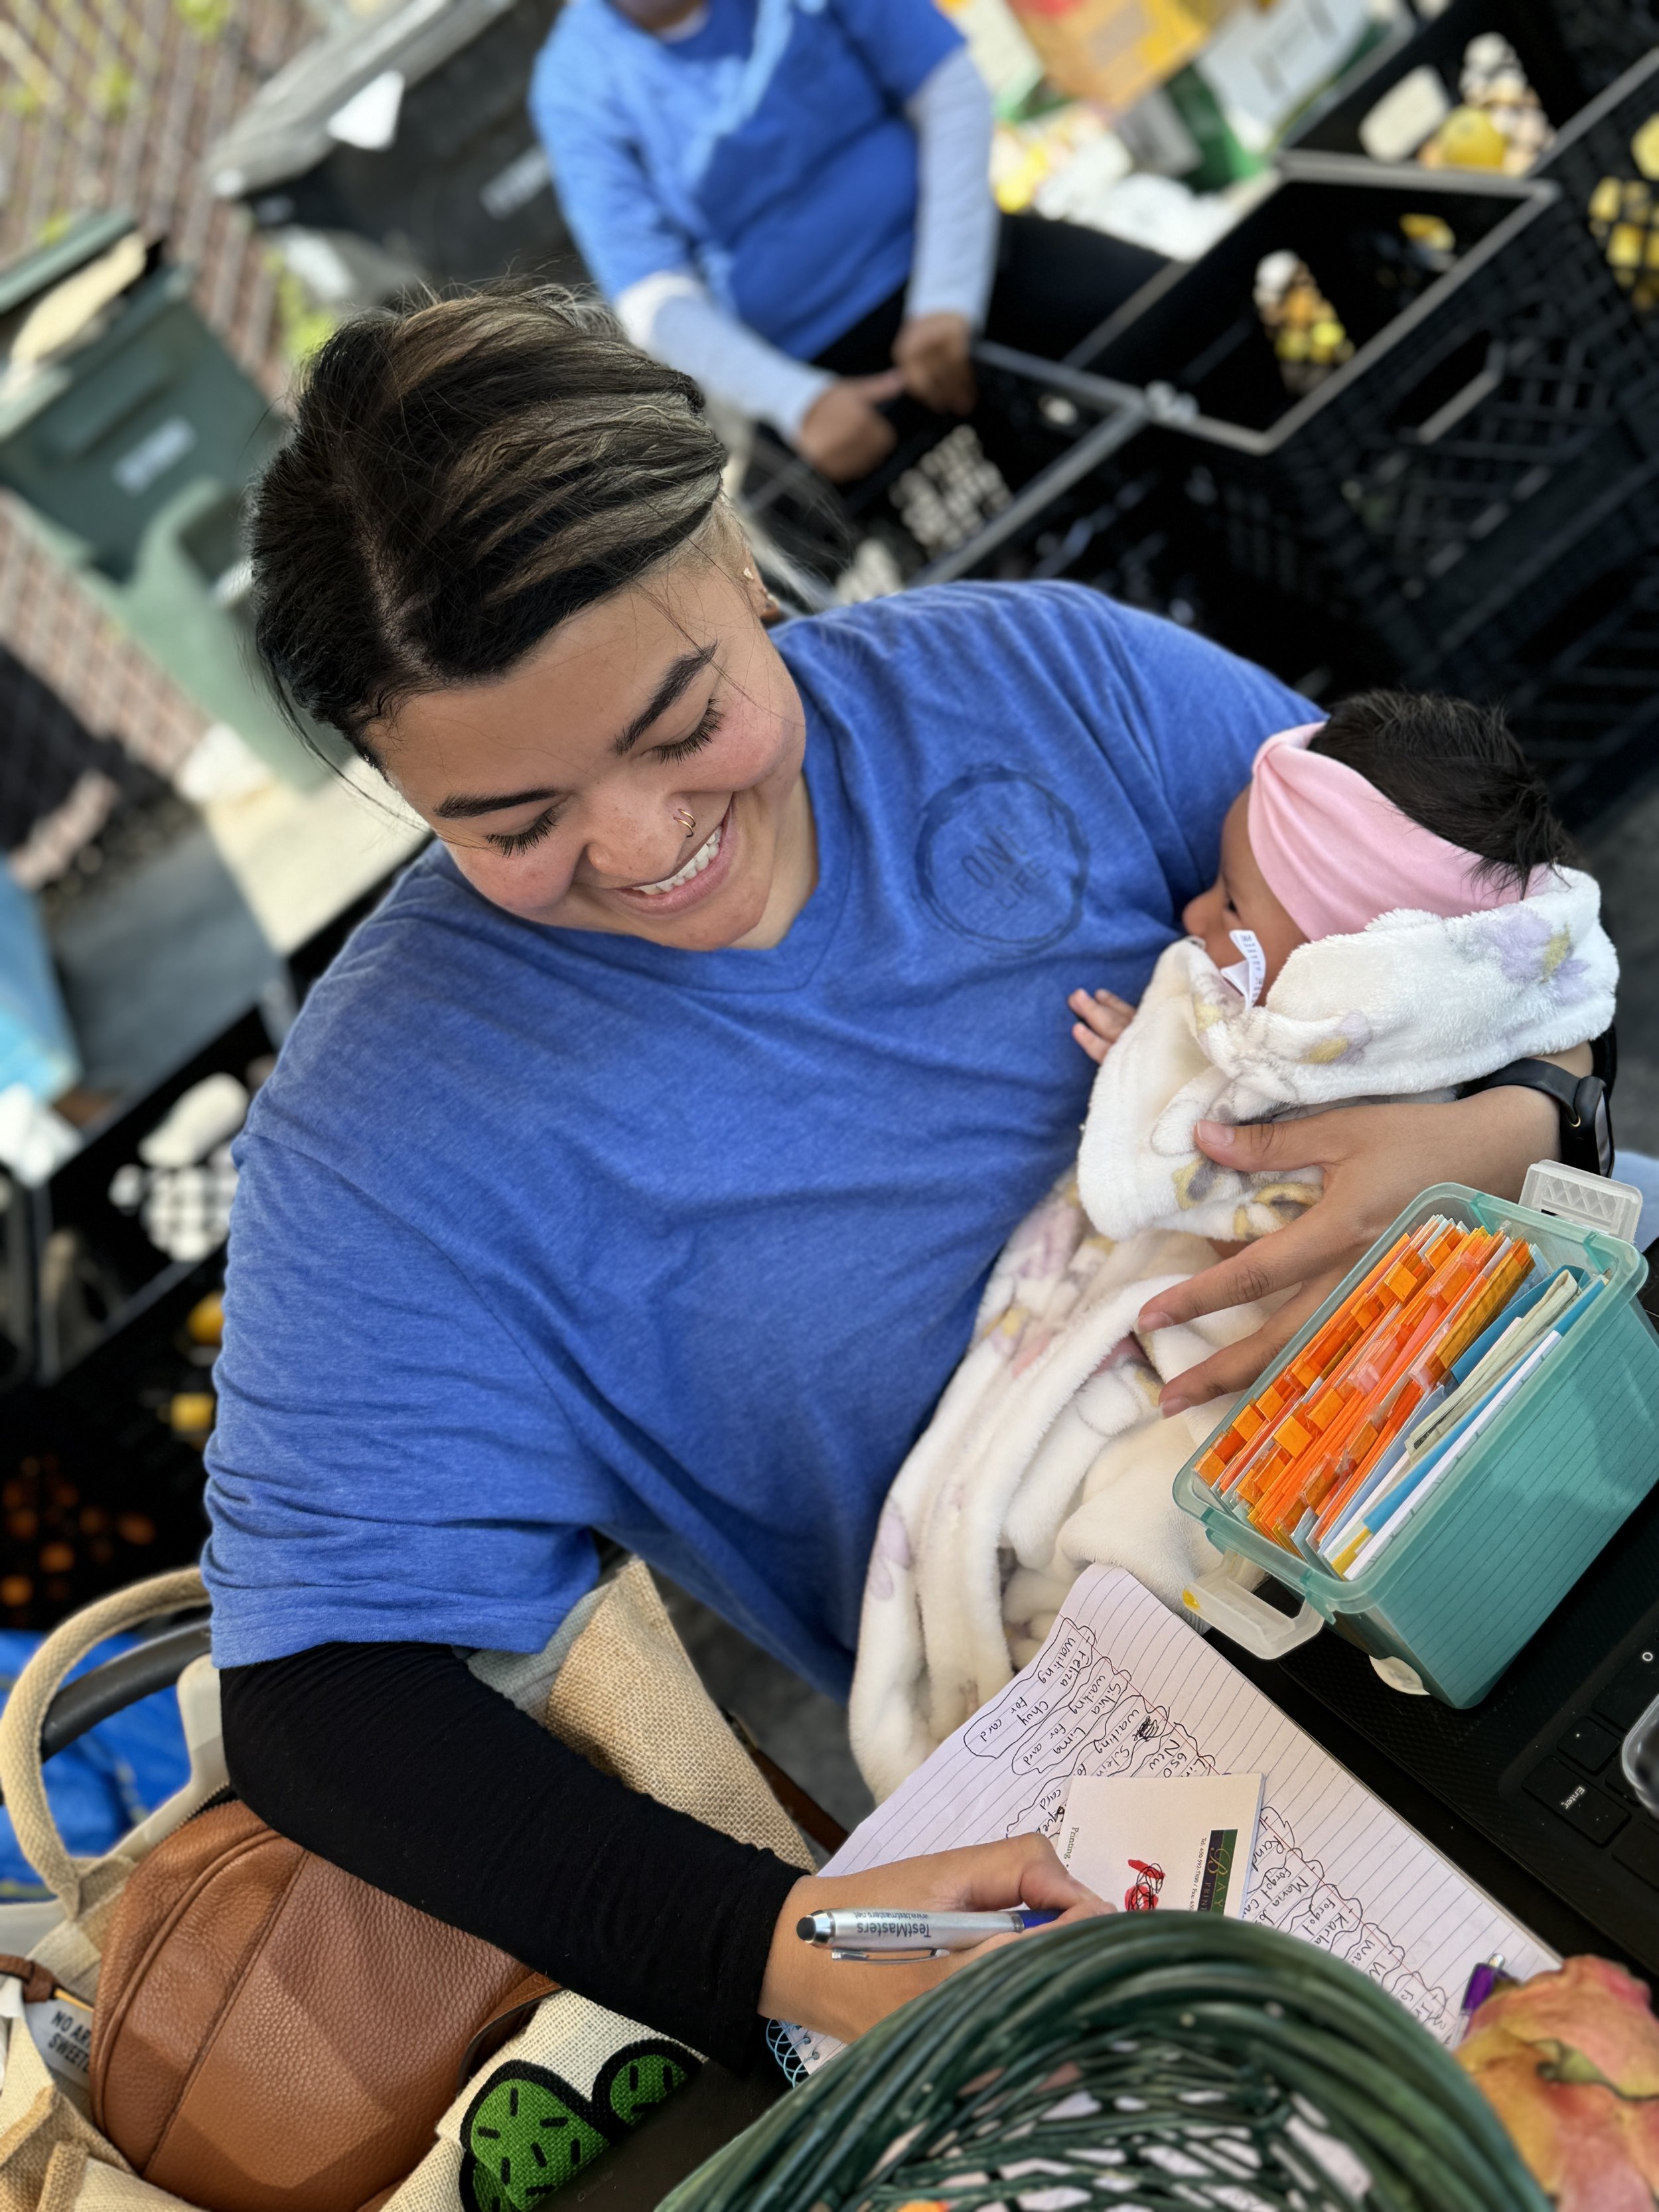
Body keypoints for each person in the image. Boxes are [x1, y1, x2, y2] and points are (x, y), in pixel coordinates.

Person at [206, 289, 1590, 2075]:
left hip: (1533, 1500)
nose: (637, 847)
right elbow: (327, 1710)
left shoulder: (1050, 685)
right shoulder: (391, 1138)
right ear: (395, 785)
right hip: (1190, 1813)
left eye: (678, 714)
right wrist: (799, 1944)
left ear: (737, 549)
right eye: (512, 821)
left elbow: (1507, 960)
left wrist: (1514, 1120)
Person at [844, 694, 1616, 1798]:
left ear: (1358, 980)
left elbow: (1248, 1170)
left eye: (1234, 901)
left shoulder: (1414, 1061)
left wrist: (1178, 1125)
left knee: (1139, 1531)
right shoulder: (1298, 999)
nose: (1194, 914)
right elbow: (1215, 1110)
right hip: (1199, 1345)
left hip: (1292, 1405)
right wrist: (1166, 1072)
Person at [529, 0, 1163, 482]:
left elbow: (949, 89)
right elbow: (653, 296)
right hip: (809, 367)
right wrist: (798, 402)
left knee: (1177, 310)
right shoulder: (573, 84)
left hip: (968, 264)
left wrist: (946, 298)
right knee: (776, 596)